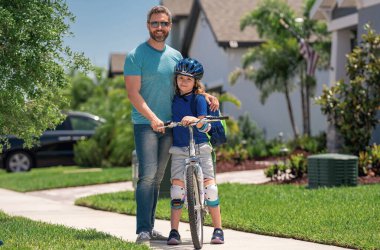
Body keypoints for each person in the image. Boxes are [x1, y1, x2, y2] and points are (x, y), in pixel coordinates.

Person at [124, 5, 219, 244]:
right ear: (148, 25)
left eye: (163, 23)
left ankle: (151, 227)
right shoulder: (136, 55)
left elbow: (188, 83)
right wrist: (153, 119)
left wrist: (206, 96)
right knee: (147, 176)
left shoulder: (175, 56)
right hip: (146, 124)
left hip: (173, 125)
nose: (159, 27)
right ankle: (143, 230)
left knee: (158, 178)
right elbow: (133, 93)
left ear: (170, 26)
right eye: (155, 23)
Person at [166, 58, 224, 245]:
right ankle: (174, 231)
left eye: (188, 79)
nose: (183, 82)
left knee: (211, 190)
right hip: (179, 149)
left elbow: (204, 125)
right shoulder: (172, 99)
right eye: (180, 78)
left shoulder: (199, 99)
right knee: (176, 191)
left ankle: (218, 229)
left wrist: (196, 119)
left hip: (200, 147)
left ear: (195, 82)